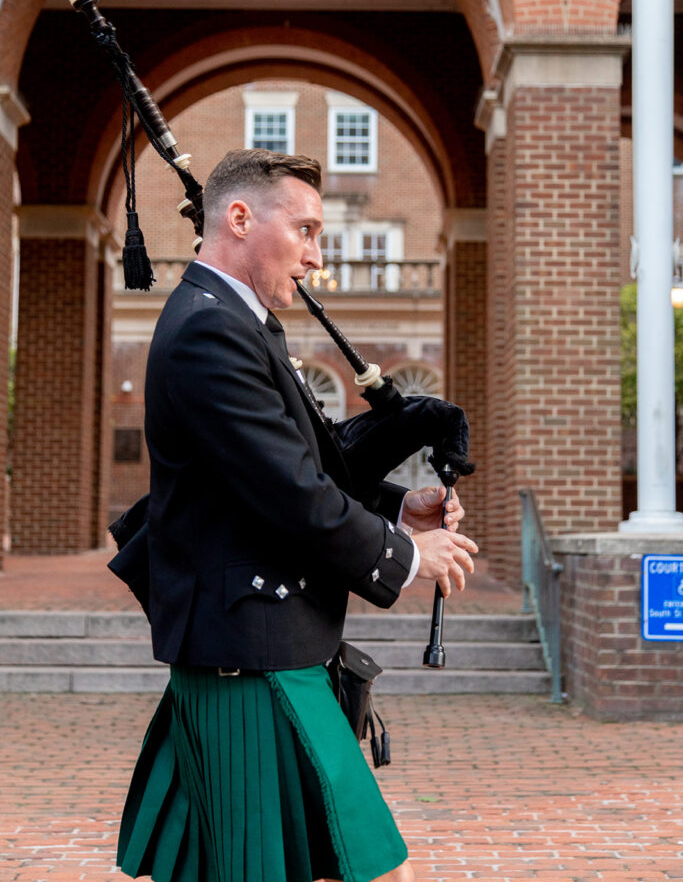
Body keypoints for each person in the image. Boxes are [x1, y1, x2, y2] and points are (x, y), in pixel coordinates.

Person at [116, 148, 478, 882]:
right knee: (366, 870)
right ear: (240, 218)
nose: (316, 257)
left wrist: (396, 506)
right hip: (251, 656)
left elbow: (293, 464)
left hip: (264, 645)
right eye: (306, 230)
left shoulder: (238, 322)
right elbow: (288, 490)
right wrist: (406, 557)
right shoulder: (207, 331)